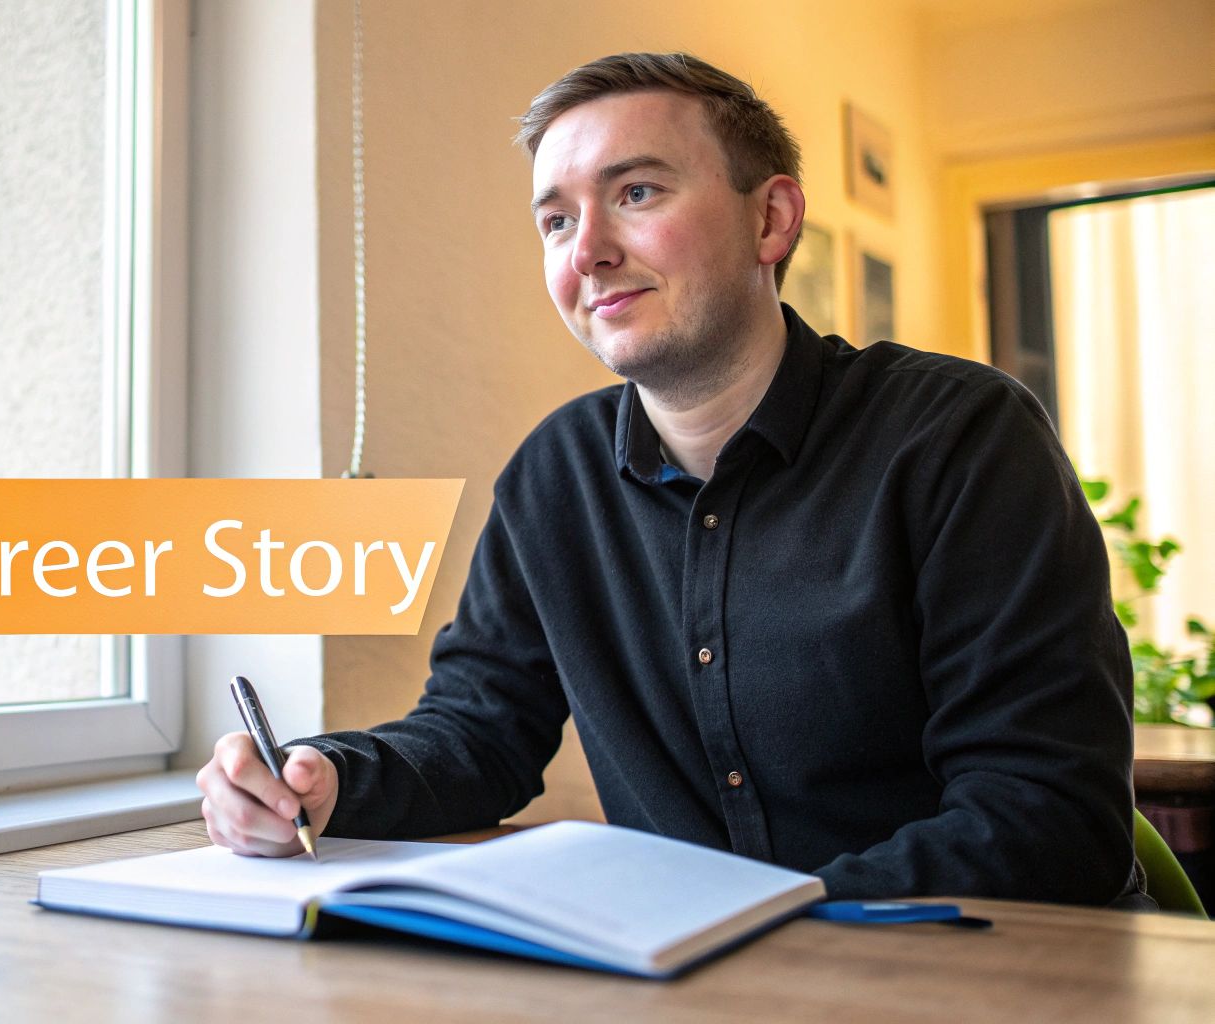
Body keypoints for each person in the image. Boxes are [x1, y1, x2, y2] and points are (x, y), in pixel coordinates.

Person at [194, 52, 1140, 905]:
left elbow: (1047, 814)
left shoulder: (960, 437)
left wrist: (763, 922)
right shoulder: (555, 475)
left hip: (970, 974)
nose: (587, 250)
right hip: (694, 978)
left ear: (771, 219)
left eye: (637, 192)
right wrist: (324, 777)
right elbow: (480, 733)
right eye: (557, 220)